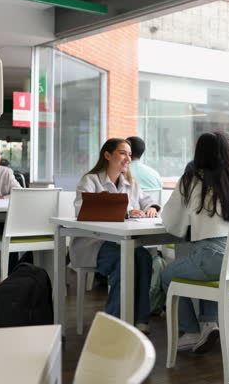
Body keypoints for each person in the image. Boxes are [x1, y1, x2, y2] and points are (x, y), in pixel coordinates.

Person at [161, 132, 229, 353]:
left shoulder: (193, 178)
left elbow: (172, 224)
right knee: (207, 269)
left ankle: (190, 331)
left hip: (212, 257)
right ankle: (209, 324)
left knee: (167, 275)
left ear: (199, 152)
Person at [71, 138, 160, 333]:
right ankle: (114, 323)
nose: (127, 158)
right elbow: (81, 211)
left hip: (121, 242)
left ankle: (140, 319)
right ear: (107, 155)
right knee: (124, 261)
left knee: (143, 257)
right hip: (94, 243)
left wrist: (151, 208)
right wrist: (128, 213)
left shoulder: (132, 184)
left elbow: (147, 202)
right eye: (122, 153)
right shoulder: (91, 180)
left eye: (129, 154)